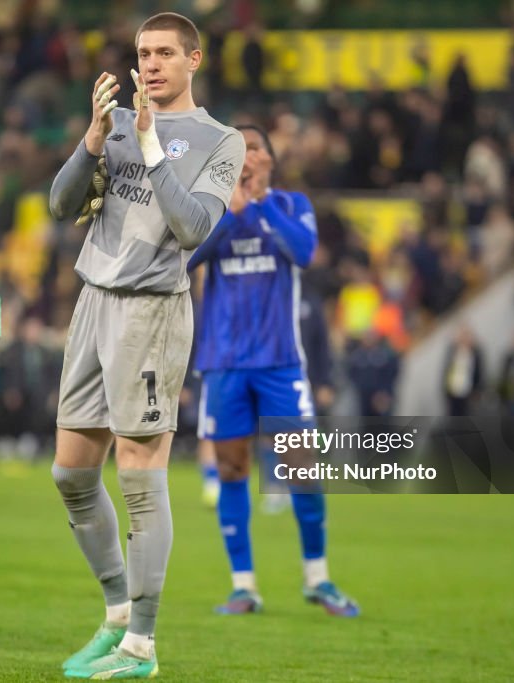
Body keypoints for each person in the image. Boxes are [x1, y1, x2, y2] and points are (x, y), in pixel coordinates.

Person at [48, 12, 244, 679]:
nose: (152, 63)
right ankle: (113, 615)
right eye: (143, 53)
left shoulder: (222, 141)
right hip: (93, 301)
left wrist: (152, 144)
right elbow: (59, 206)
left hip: (152, 314)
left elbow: (192, 229)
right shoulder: (118, 128)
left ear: (194, 59)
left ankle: (143, 643)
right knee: (72, 471)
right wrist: (94, 139)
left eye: (165, 53)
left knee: (138, 476)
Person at [188, 125, 360, 617]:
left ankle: (318, 579)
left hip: (281, 363)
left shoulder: (290, 204)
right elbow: (187, 257)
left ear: (270, 159)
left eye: (256, 146)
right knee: (232, 469)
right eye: (239, 147)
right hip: (224, 364)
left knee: (304, 470)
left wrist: (259, 204)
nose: (249, 154)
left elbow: (303, 252)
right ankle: (244, 586)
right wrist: (232, 210)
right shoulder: (212, 206)